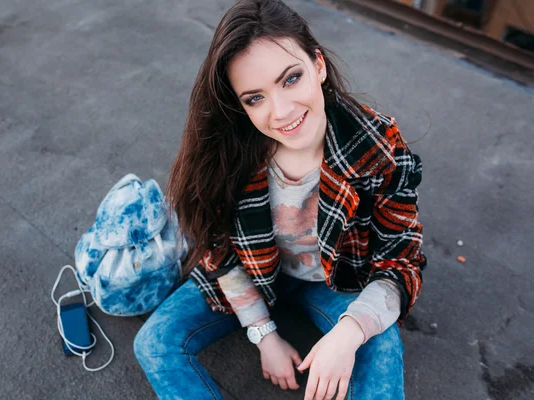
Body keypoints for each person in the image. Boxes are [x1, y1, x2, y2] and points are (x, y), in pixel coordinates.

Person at [134, 0, 427, 399]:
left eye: (290, 79)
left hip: (336, 281)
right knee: (154, 343)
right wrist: (263, 334)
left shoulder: (376, 147)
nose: (282, 111)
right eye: (255, 97)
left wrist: (349, 332)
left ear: (318, 66)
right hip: (255, 272)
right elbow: (216, 246)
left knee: (382, 349)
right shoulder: (229, 151)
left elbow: (401, 261)